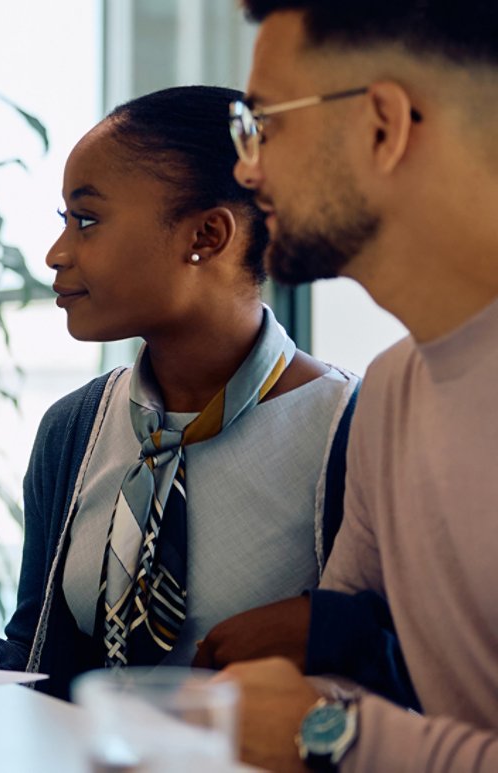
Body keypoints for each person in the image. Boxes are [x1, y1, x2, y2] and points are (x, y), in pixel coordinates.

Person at [0, 85, 359, 699]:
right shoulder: (75, 428)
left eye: (87, 220)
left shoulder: (351, 433)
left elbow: (410, 673)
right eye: (63, 221)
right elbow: (47, 672)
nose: (56, 253)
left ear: (207, 235)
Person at [206, 2, 498, 770]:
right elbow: (332, 670)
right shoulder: (393, 392)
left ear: (383, 126)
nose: (247, 165)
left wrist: (329, 737)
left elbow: (331, 725)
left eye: (264, 123)